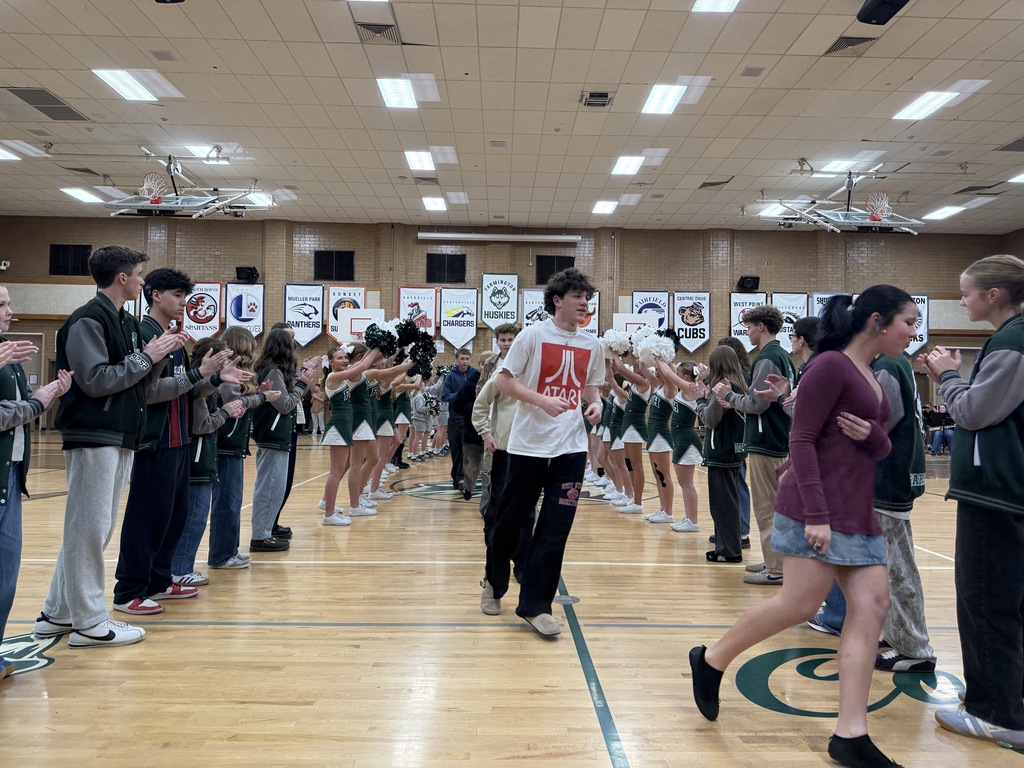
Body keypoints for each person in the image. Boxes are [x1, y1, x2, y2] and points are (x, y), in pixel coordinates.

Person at [690, 285, 919, 768]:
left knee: (873, 607)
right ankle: (711, 659)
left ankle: (850, 734)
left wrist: (872, 434)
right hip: (815, 507)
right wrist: (816, 514)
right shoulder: (830, 365)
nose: (912, 333)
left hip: (857, 509)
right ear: (877, 321)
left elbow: (881, 445)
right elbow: (802, 439)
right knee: (799, 604)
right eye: (908, 322)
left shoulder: (873, 372)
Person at [35, 245, 186, 649]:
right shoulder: (89, 318)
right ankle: (89, 622)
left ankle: (57, 612)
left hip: (119, 433)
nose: (142, 281)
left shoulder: (126, 321)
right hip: (94, 433)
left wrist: (158, 355)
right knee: (89, 530)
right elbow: (96, 380)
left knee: (90, 529)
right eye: (139, 274)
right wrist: (147, 356)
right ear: (123, 277)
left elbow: (140, 381)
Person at [920, 254, 1024, 748]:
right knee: (1007, 603)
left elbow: (974, 412)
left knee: (986, 602)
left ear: (993, 295)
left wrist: (947, 376)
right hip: (1007, 490)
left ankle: (996, 713)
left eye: (966, 293)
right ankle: (1007, 697)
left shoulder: (1010, 340)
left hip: (996, 493)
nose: (961, 301)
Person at [112, 268, 251, 616]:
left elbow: (186, 391)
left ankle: (159, 580)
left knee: (173, 517)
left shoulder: (175, 337)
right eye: (177, 295)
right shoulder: (146, 334)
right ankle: (129, 589)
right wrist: (198, 374)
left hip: (180, 439)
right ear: (156, 295)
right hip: (154, 440)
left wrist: (214, 379)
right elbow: (147, 392)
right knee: (146, 518)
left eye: (185, 296)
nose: (183, 303)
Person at [481, 268, 604, 636]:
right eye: (578, 296)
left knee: (556, 527)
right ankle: (494, 581)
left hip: (571, 446)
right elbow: (504, 381)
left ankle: (536, 606)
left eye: (587, 298)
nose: (584, 303)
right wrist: (541, 400)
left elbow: (591, 388)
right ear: (557, 300)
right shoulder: (533, 335)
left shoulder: (592, 345)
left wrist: (596, 404)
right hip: (528, 445)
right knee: (510, 520)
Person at [806, 350, 935, 676]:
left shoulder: (888, 364)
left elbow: (875, 424)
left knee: (897, 569)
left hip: (888, 481)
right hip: (889, 479)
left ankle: (915, 648)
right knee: (884, 568)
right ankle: (898, 637)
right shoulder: (891, 363)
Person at [0, 288, 72, 680]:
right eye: (2, 304)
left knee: (7, 572)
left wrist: (47, 393)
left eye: (9, 303)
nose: (10, 311)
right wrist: (36, 404)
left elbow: (20, 405)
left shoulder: (9, 357)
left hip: (11, 476)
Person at [169, 337, 266, 587]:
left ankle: (180, 568)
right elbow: (202, 425)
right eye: (223, 359)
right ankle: (180, 570)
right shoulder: (199, 388)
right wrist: (226, 412)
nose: (228, 364)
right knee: (194, 517)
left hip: (203, 457)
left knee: (195, 516)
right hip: (197, 460)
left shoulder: (205, 386)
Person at [719, 305, 796, 585]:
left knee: (767, 507)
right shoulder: (782, 355)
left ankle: (776, 568)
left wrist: (730, 397)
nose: (748, 333)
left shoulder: (767, 357)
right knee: (773, 505)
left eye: (750, 327)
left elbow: (758, 403)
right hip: (777, 437)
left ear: (761, 326)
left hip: (766, 440)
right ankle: (772, 558)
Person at [249, 328, 317, 552]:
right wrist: (302, 384)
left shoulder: (273, 370)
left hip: (274, 434)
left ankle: (265, 532)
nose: (295, 346)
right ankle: (260, 536)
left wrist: (301, 376)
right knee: (270, 487)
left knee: (273, 487)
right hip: (273, 434)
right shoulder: (273, 371)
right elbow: (285, 405)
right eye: (292, 342)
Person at [207, 327, 264, 571]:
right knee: (227, 502)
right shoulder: (227, 373)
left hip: (233, 444)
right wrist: (261, 397)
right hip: (226, 445)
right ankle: (221, 555)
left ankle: (229, 550)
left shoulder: (236, 373)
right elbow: (235, 405)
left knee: (232, 500)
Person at [695, 346, 748, 563]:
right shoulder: (737, 384)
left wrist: (700, 401)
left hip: (721, 451)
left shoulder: (723, 387)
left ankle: (729, 551)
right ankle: (726, 547)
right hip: (732, 451)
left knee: (722, 505)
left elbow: (710, 420)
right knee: (729, 502)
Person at [655, 360, 702, 532]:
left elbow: (668, 374)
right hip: (681, 439)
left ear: (686, 377)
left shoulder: (690, 388)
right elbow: (671, 372)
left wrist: (658, 358)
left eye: (679, 373)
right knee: (685, 483)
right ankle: (689, 519)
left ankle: (693, 521)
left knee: (687, 483)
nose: (676, 374)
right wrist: (666, 360)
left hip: (687, 440)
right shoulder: (685, 389)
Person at [442, 349, 478, 492]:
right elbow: (445, 396)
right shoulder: (451, 376)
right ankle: (457, 478)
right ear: (456, 359)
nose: (465, 361)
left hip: (470, 417)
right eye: (462, 358)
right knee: (456, 449)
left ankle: (464, 478)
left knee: (468, 449)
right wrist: (460, 395)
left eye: (467, 358)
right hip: (455, 417)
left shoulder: (474, 374)